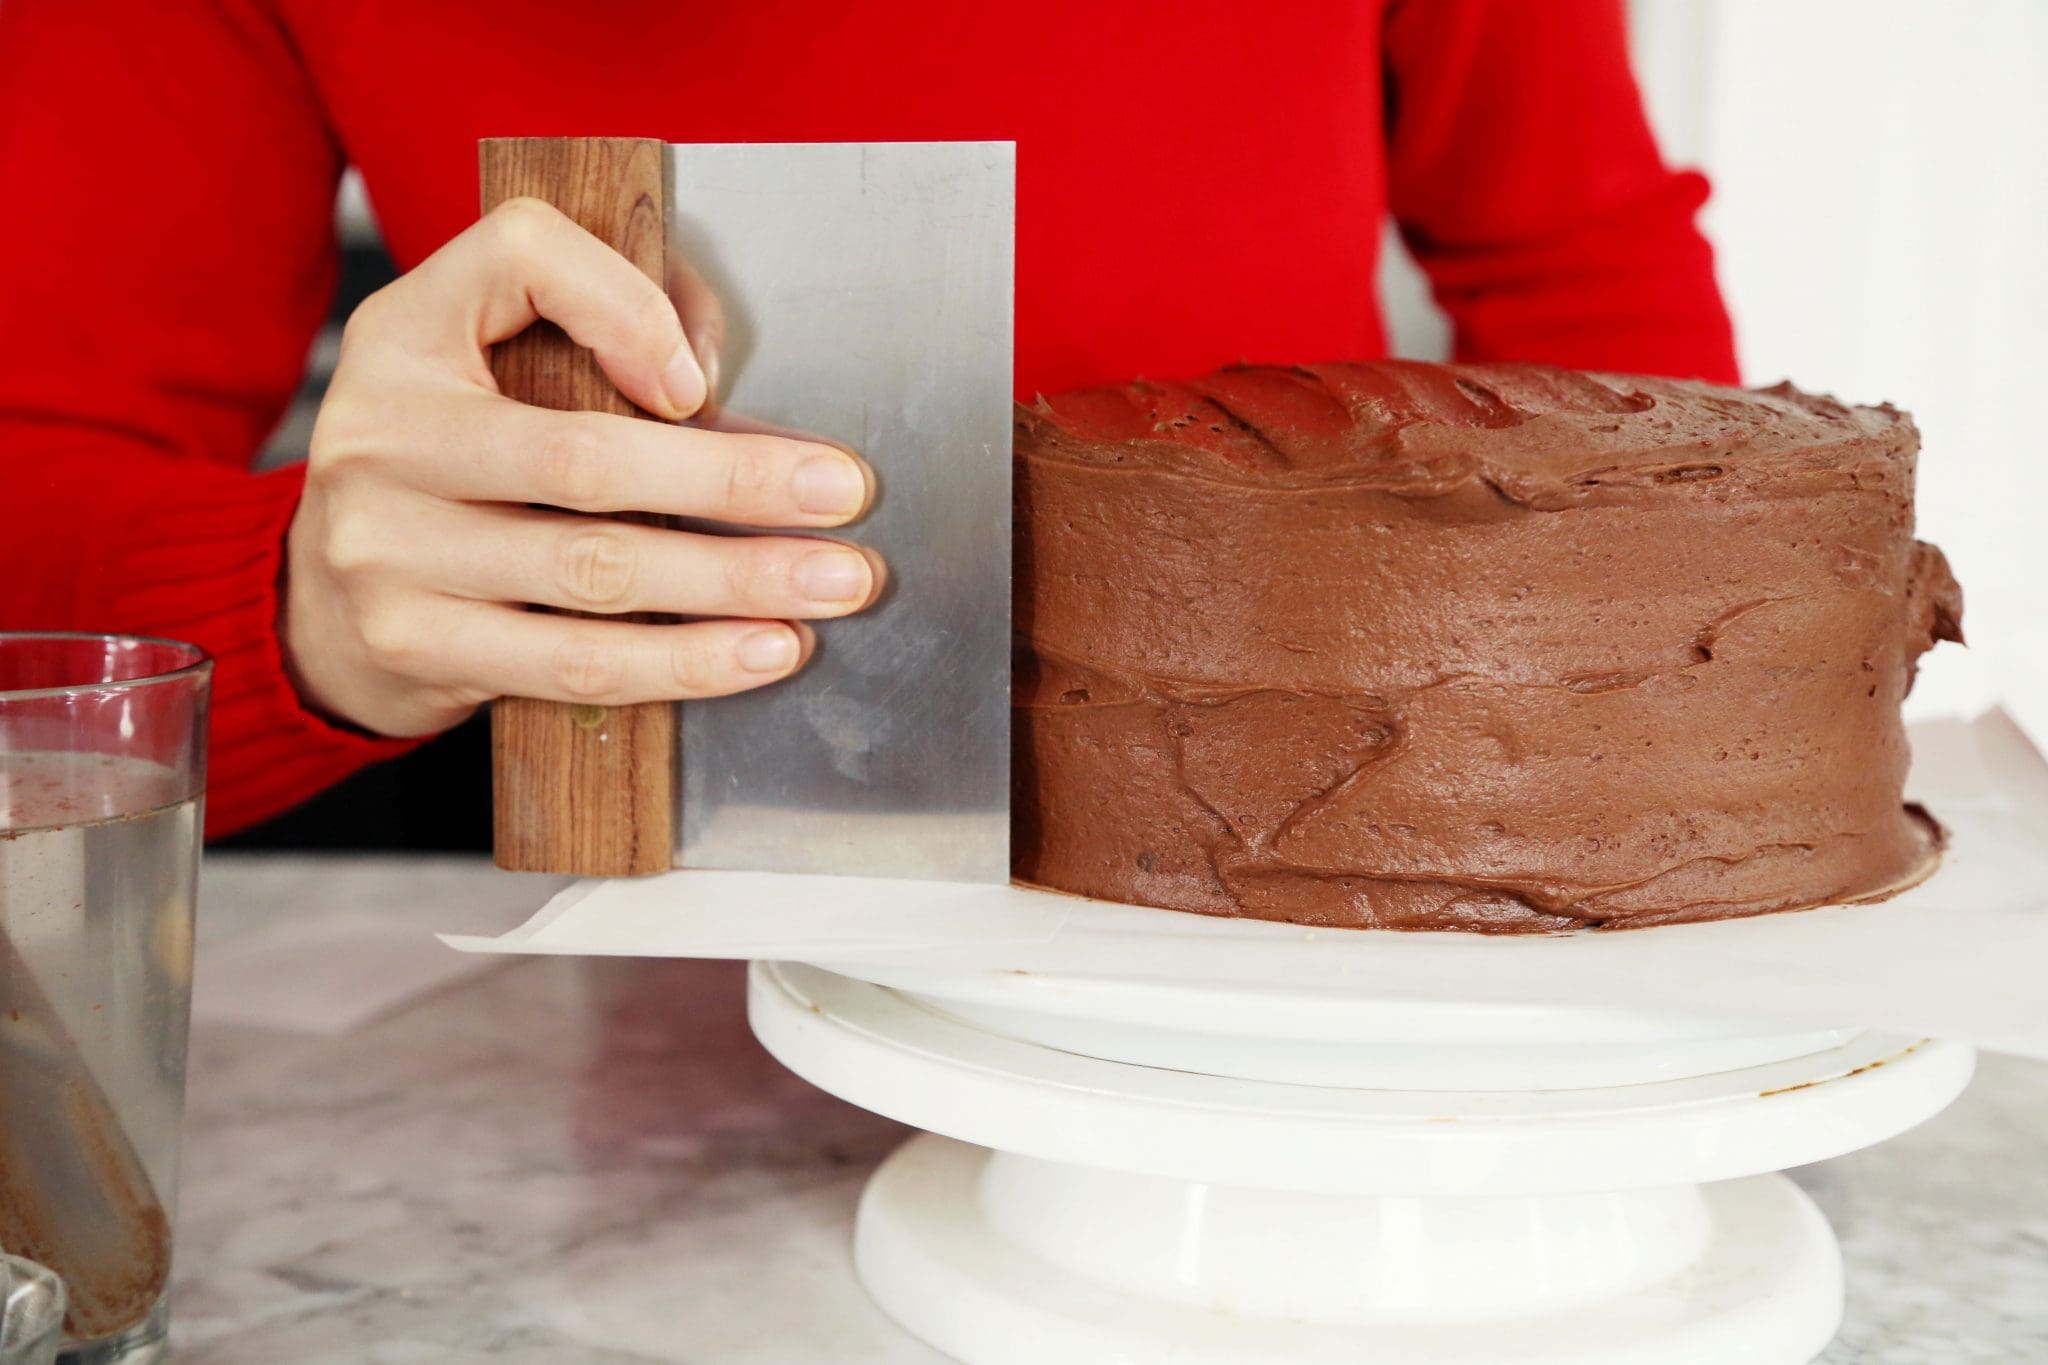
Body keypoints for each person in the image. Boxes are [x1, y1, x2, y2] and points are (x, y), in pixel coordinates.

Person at [0, 0, 1737, 839]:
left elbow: (1580, 276)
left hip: (1339, 847)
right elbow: (38, 505)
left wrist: (1692, 723)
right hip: (633, 876)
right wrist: (297, 607)